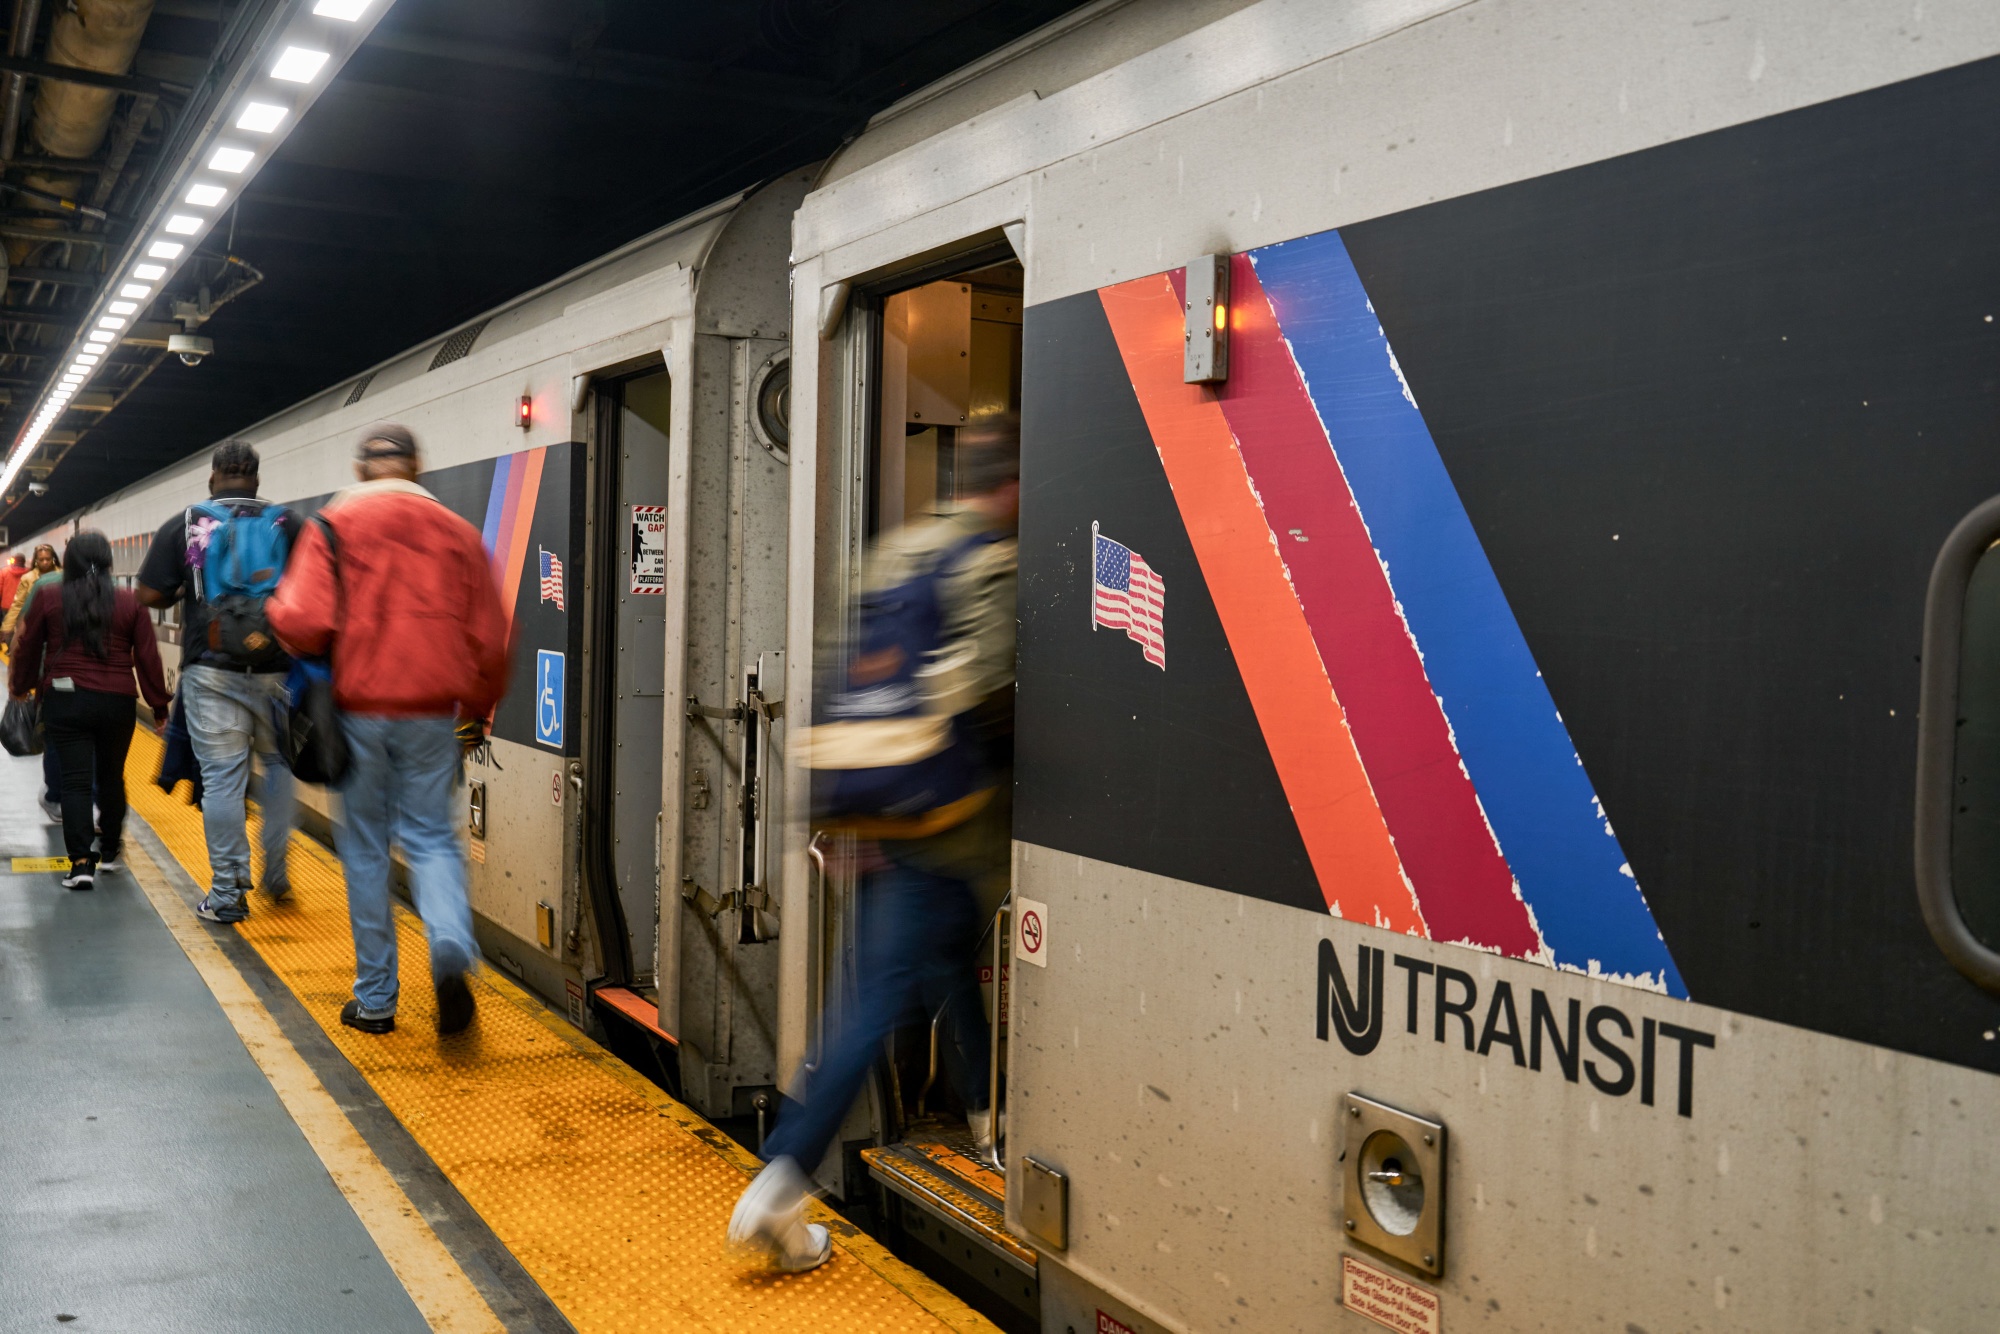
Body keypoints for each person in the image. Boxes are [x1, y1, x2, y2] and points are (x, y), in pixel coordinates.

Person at [729, 413, 1021, 1272]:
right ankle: (781, 1181)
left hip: (885, 814)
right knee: (875, 1003)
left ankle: (981, 1111)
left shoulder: (894, 554)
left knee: (931, 962)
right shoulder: (992, 562)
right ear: (1007, 488)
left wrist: (846, 806)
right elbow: (990, 678)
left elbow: (841, 674)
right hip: (948, 822)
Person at [268, 424, 509, 1038]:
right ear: (417, 468)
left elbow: (299, 621)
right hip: (432, 713)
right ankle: (450, 945)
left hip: (358, 713)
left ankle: (376, 1000)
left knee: (366, 851)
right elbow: (491, 639)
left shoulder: (332, 527)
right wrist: (475, 711)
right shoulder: (458, 534)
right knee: (432, 841)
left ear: (361, 471)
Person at [137, 441, 302, 923]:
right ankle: (277, 871)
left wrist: (184, 586)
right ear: (256, 477)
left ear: (213, 477)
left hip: (211, 669)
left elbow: (149, 592)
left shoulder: (190, 523)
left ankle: (228, 894)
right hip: (277, 668)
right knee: (278, 767)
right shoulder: (287, 523)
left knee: (224, 783)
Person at [9, 531, 171, 890]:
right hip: (117, 701)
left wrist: (20, 687)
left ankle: (81, 864)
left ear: (70, 562)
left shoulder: (51, 597)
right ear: (109, 562)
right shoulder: (130, 602)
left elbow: (28, 646)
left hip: (65, 700)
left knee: (75, 781)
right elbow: (147, 657)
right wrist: (159, 706)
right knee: (112, 777)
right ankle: (111, 852)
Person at [6, 544, 65, 822]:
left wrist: (18, 682)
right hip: (53, 660)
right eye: (39, 558)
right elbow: (19, 606)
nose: (43, 562)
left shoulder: (51, 582)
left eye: (47, 558)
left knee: (53, 730)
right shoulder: (31, 580)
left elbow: (26, 635)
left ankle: (56, 795)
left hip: (52, 669)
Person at [0, 553, 27, 623]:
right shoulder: (29, 573)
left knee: (7, 626)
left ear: (14, 561)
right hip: (23, 606)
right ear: (24, 561)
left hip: (7, 606)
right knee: (21, 628)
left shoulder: (4, 572)